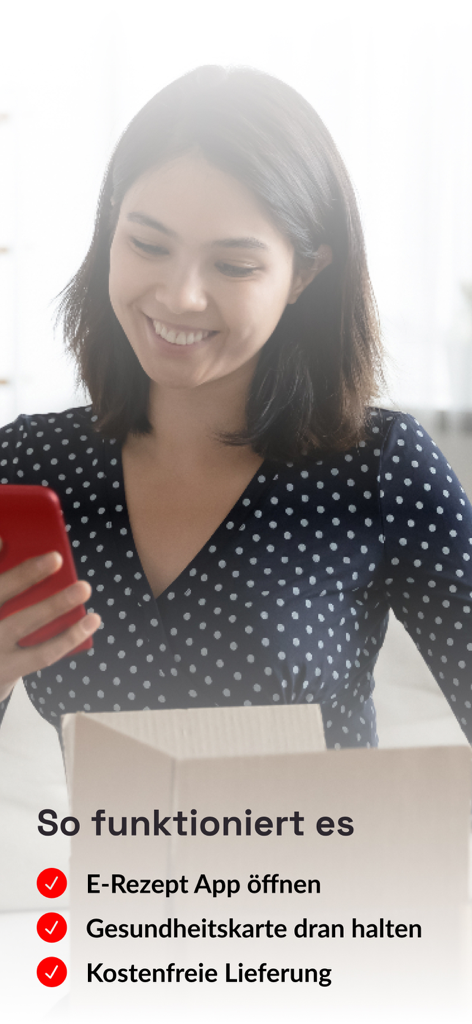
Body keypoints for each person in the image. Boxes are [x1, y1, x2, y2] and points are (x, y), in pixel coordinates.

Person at [0, 64, 471, 750]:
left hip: (324, 859)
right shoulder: (29, 466)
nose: (180, 296)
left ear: (304, 273)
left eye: (234, 266)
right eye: (148, 244)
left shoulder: (377, 467)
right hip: (116, 859)